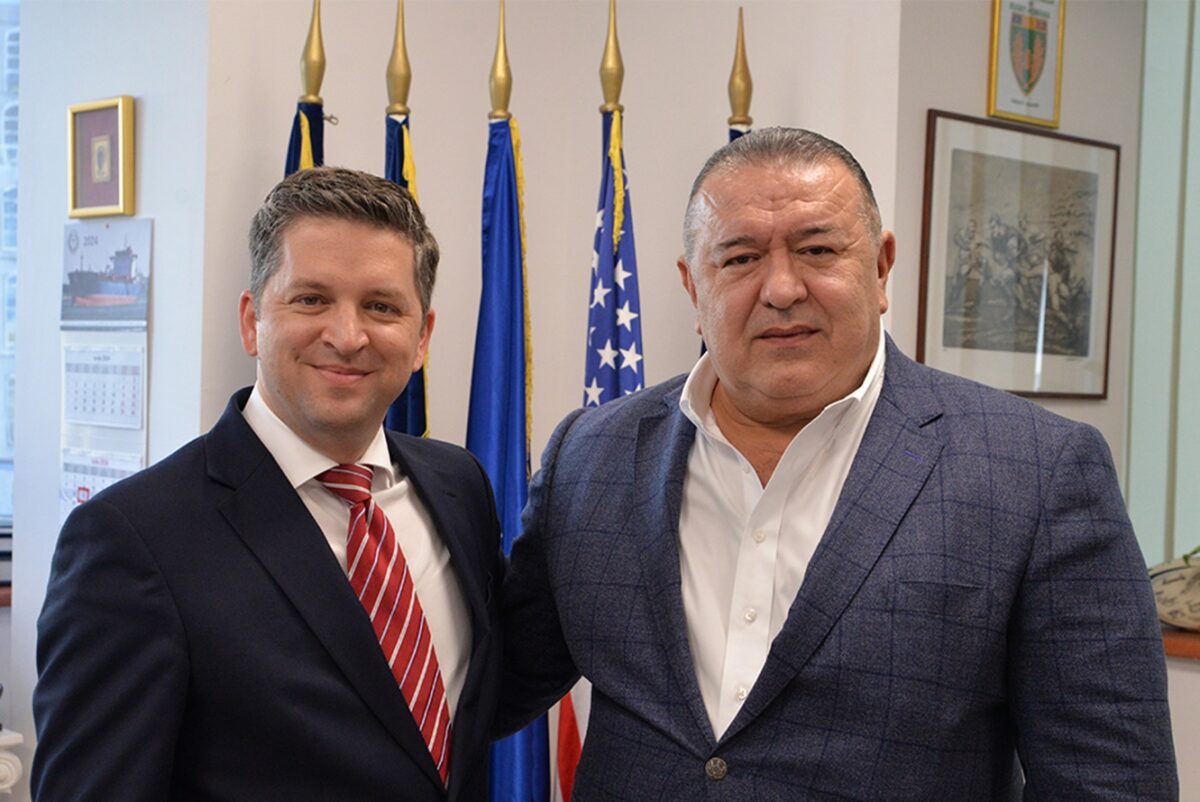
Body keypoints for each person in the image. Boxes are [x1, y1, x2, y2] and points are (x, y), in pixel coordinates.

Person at [498, 128, 1177, 799]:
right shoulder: (590, 457)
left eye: (818, 250)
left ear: (880, 268)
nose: (782, 288)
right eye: (740, 259)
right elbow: (482, 690)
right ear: (692, 286)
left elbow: (1113, 783)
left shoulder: (1038, 473)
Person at [33, 167, 504, 801]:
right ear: (252, 321)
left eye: (382, 307)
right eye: (311, 299)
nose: (347, 336)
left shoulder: (459, 486)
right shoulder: (133, 540)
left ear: (422, 337)